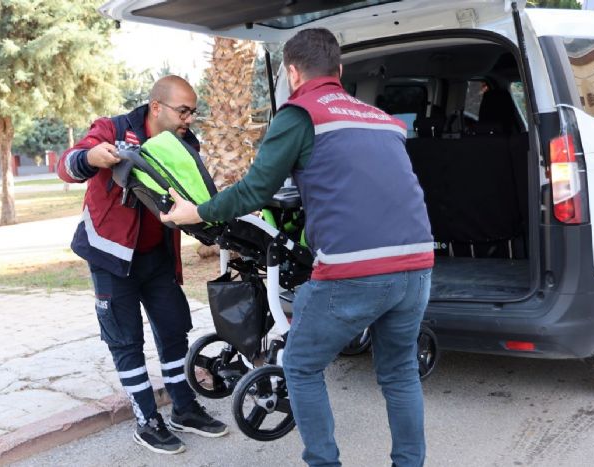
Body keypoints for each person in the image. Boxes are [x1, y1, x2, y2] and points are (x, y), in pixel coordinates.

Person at [161, 30, 434, 467]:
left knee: (302, 365)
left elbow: (253, 191)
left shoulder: (301, 114)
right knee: (400, 373)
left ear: (292, 72)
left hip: (354, 271)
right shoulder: (381, 119)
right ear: (338, 70)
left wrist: (197, 211)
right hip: (417, 263)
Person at [57, 75, 228, 455]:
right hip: (111, 256)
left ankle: (184, 409)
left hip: (158, 256)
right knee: (126, 340)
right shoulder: (113, 130)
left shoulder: (184, 143)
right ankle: (147, 420)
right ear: (156, 107)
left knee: (173, 330)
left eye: (193, 112)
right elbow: (65, 166)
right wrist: (91, 157)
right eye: (183, 111)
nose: (189, 119)